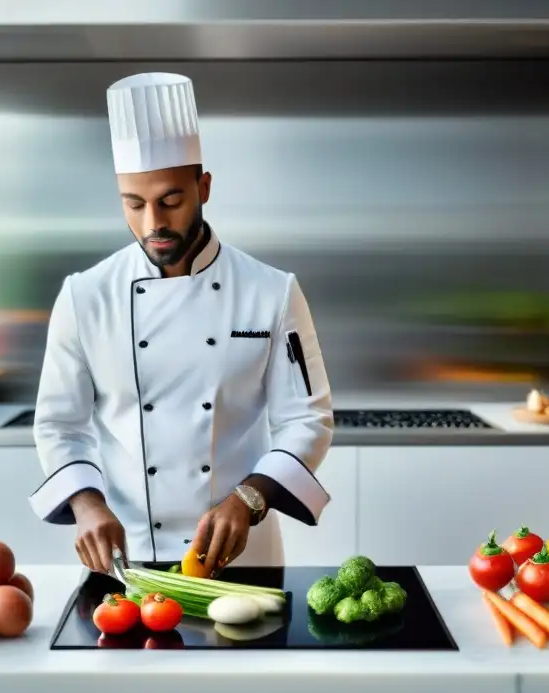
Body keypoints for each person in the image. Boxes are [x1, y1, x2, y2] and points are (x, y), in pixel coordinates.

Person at [29, 72, 334, 574]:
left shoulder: (272, 291)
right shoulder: (85, 296)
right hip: (124, 554)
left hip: (243, 552)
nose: (153, 224)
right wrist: (86, 505)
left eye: (171, 201)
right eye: (134, 204)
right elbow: (60, 424)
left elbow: (307, 419)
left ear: (204, 188)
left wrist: (249, 500)